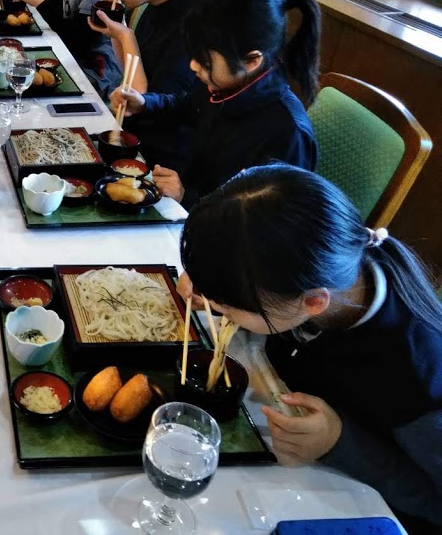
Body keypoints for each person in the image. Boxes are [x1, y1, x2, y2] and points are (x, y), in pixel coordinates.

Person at [178, 164, 442, 529]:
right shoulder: (311, 273)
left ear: (314, 302)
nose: (218, 308)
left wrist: (340, 441)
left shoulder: (418, 377)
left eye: (231, 304)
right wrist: (215, 278)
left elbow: (433, 504)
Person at [114, 0, 319, 208]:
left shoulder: (288, 134)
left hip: (215, 222)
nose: (194, 66)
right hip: (192, 202)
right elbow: (186, 106)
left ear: (252, 60)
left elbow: (263, 220)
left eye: (205, 61)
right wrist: (144, 102)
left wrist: (187, 199)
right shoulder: (225, 84)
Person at [88, 0, 217, 170]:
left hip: (161, 152)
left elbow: (142, 96)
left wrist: (126, 36)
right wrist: (116, 21)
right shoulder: (155, 5)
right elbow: (129, 69)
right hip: (136, 131)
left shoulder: (189, 25)